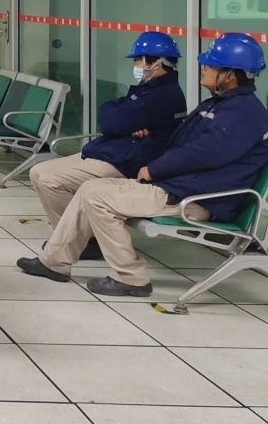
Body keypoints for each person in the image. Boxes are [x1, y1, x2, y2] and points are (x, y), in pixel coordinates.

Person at [18, 32, 268, 297]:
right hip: (181, 187)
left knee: (96, 195)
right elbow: (180, 141)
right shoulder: (220, 106)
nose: (203, 68)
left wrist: (154, 169)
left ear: (230, 75)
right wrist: (153, 137)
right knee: (92, 189)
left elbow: (203, 153)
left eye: (211, 65)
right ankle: (54, 262)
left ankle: (131, 278)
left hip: (195, 197)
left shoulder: (243, 113)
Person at [29, 31, 188, 260]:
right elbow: (108, 111)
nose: (136, 65)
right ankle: (78, 238)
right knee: (38, 172)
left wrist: (121, 121)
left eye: (138, 60)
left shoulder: (162, 95)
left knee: (49, 179)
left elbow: (111, 123)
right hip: (113, 152)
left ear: (156, 62)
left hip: (124, 162)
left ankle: (78, 241)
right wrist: (123, 122)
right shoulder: (149, 88)